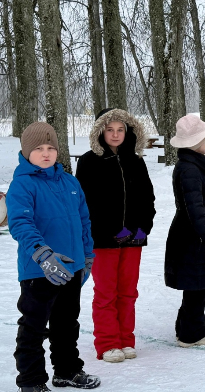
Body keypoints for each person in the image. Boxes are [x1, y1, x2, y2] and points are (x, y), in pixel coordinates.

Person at [7, 122, 100, 391]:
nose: (46, 153)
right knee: (33, 327)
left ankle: (67, 370)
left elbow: (84, 222)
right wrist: (42, 254)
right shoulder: (22, 185)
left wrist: (87, 256)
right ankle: (32, 382)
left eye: (51, 148)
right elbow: (21, 224)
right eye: (38, 148)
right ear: (27, 153)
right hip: (39, 270)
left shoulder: (70, 182)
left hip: (71, 267)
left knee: (66, 324)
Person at [76, 108, 156, 363]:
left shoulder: (136, 160)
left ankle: (125, 339)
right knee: (106, 292)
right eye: (110, 129)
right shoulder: (89, 161)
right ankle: (108, 343)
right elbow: (88, 203)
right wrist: (113, 231)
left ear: (128, 131)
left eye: (120, 129)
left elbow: (147, 198)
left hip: (134, 239)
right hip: (104, 240)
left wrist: (144, 227)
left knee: (128, 292)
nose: (115, 134)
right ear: (100, 131)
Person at [164, 115, 205, 347]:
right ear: (194, 141)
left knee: (197, 284)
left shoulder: (192, 165)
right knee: (196, 285)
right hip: (192, 235)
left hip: (192, 232)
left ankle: (190, 327)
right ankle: (191, 333)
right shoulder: (189, 169)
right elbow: (196, 211)